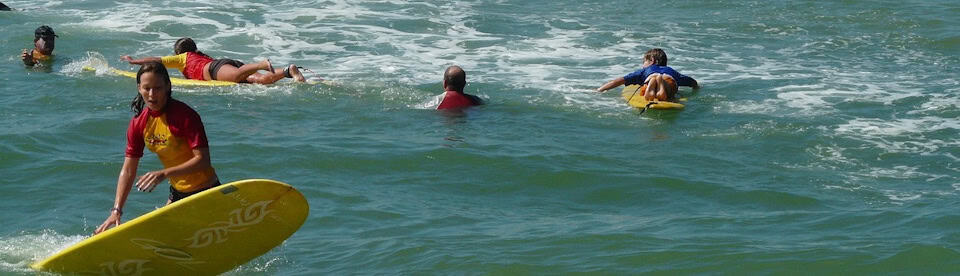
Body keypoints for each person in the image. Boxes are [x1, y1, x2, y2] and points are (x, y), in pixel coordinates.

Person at [95, 62, 221, 234]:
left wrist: (164, 174)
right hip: (178, 193)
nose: (152, 94)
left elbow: (203, 161)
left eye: (158, 88)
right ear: (139, 88)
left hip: (205, 192)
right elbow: (128, 170)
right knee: (162, 239)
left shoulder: (184, 116)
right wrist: (116, 210)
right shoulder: (139, 123)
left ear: (168, 86)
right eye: (147, 88)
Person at [121, 37, 305, 84]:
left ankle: (261, 63)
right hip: (225, 65)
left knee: (235, 77)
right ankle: (289, 71)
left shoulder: (182, 58)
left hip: (217, 69)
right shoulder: (200, 55)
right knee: (262, 81)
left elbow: (157, 60)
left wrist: (134, 61)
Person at [596, 48, 699, 101]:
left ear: (652, 60)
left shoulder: (644, 71)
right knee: (669, 91)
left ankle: (652, 85)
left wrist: (599, 90)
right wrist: (697, 87)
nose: (643, 65)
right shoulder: (671, 70)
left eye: (644, 62)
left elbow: (618, 81)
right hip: (668, 79)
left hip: (649, 78)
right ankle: (662, 85)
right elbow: (691, 81)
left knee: (647, 90)